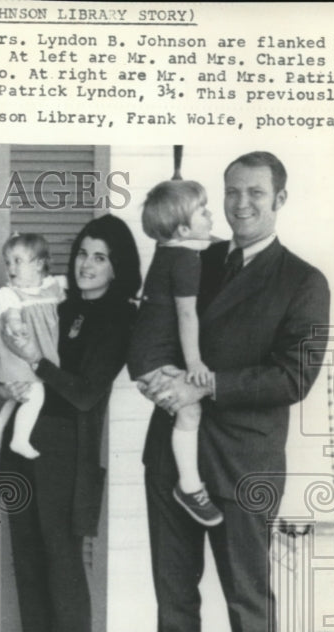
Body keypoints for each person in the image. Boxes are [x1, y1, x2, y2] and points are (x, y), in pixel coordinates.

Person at [126, 152, 330, 632]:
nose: (241, 204)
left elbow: (293, 376)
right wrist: (154, 379)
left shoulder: (303, 280)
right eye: (232, 192)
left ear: (280, 198)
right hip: (174, 453)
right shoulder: (193, 253)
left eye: (256, 193)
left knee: (248, 603)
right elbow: (156, 322)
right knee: (172, 591)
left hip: (244, 462)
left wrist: (204, 388)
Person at [0, 215, 141, 632]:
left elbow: (83, 393)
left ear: (117, 267)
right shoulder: (60, 303)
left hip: (67, 451)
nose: (87, 263)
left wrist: (35, 362)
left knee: (62, 568)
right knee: (28, 560)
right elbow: (14, 361)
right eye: (83, 252)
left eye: (100, 257)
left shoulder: (121, 318)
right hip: (22, 444)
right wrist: (11, 384)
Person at [129, 180, 223, 527]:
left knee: (186, 410)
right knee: (191, 410)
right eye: (203, 210)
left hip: (145, 354)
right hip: (154, 358)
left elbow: (204, 239)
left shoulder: (169, 248)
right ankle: (189, 485)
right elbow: (187, 314)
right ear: (183, 228)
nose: (211, 214)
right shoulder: (185, 260)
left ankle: (189, 483)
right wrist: (195, 361)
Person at [0, 232, 67, 459]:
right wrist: (16, 324)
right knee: (35, 392)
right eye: (8, 262)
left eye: (18, 261)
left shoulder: (50, 287)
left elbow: (65, 292)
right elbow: (10, 314)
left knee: (23, 391)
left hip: (34, 354)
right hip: (16, 352)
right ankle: (20, 439)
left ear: (39, 264)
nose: (11, 267)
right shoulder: (9, 293)